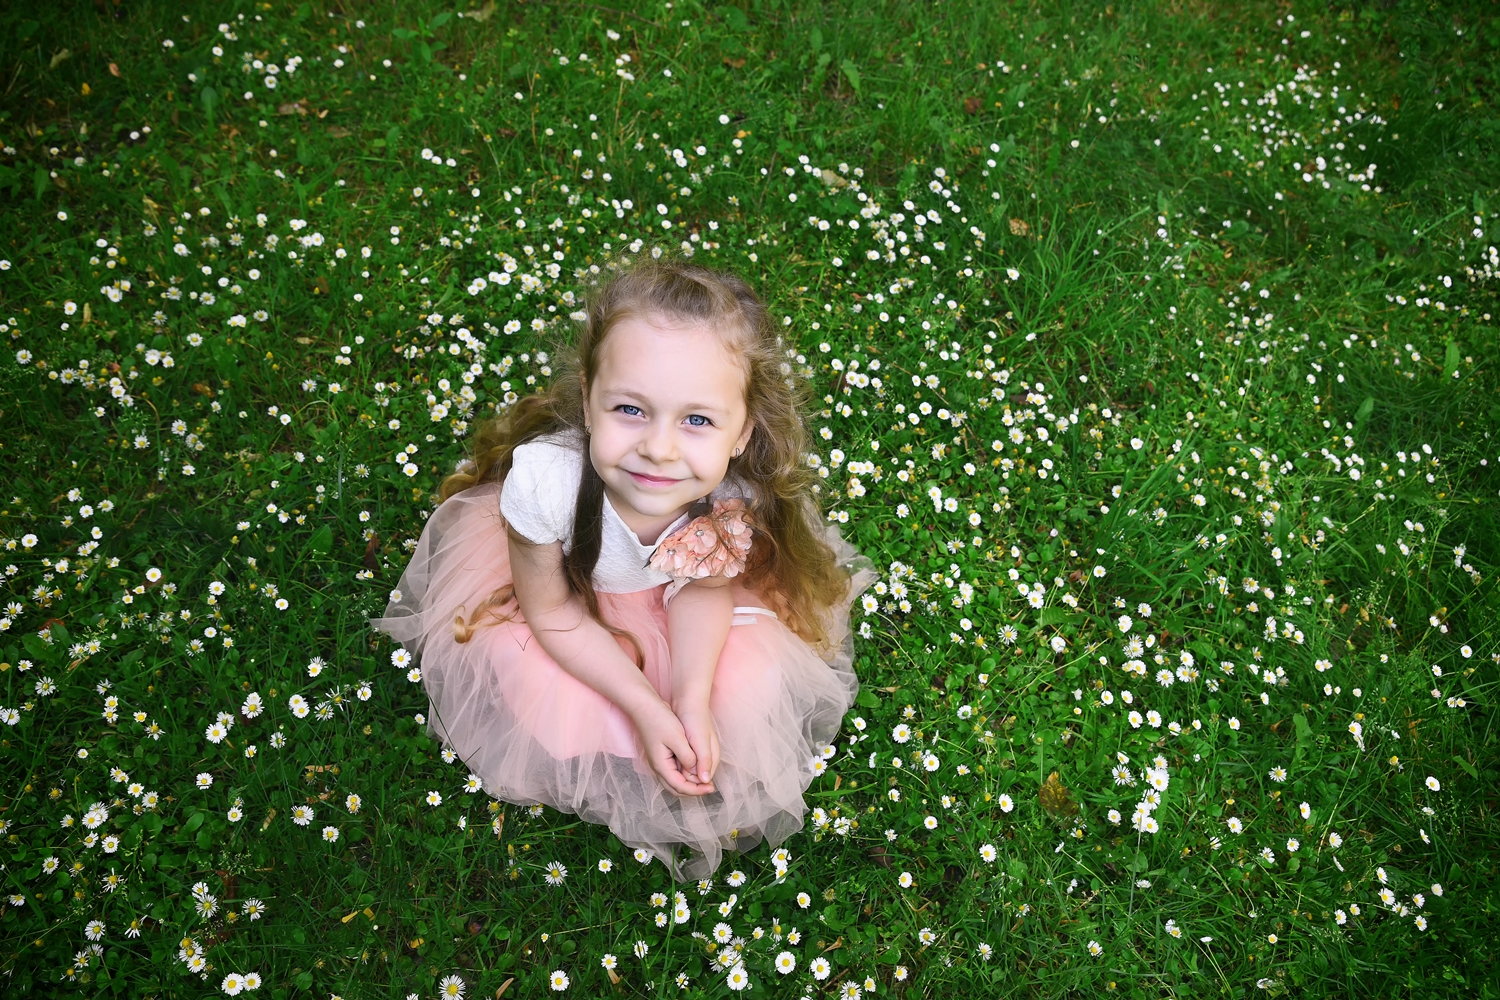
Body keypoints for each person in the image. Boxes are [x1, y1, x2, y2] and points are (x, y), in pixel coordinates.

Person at [370, 252, 875, 880]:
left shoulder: (727, 498)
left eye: (697, 420)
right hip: (562, 604)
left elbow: (700, 589)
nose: (659, 449)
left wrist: (687, 699)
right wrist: (646, 706)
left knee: (742, 682)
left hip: (676, 604)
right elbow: (551, 612)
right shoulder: (548, 486)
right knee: (529, 671)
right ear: (588, 401)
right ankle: (613, 726)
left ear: (743, 432)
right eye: (630, 409)